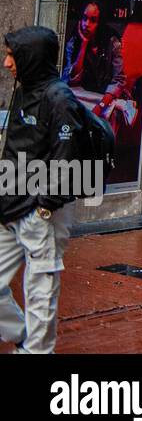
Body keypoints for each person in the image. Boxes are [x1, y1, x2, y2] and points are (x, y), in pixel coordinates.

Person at [0, 27, 80, 354]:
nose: (7, 63)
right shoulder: (23, 91)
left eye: (12, 55)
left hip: (40, 212)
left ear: (30, 57)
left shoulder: (59, 98)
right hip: (10, 207)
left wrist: (46, 205)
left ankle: (35, 352)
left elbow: (67, 154)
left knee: (40, 292)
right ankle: (22, 337)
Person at [62, 0, 126, 105]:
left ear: (100, 22)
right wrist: (84, 44)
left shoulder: (111, 41)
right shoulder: (73, 42)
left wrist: (101, 105)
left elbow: (118, 80)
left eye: (93, 20)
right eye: (84, 18)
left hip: (105, 98)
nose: (86, 24)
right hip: (83, 96)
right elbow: (71, 79)